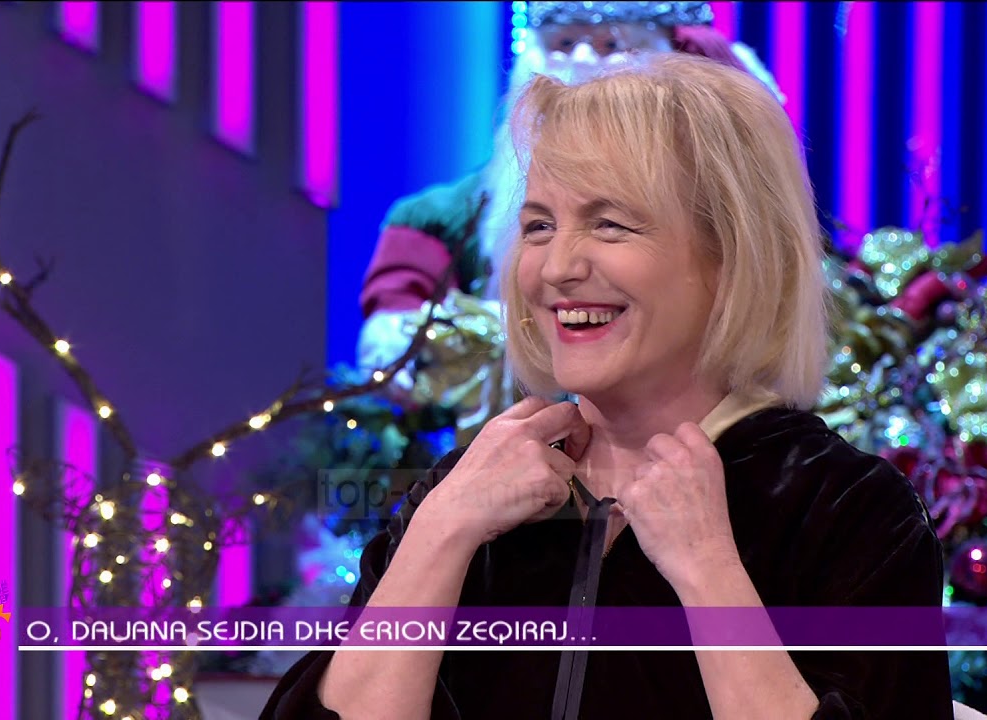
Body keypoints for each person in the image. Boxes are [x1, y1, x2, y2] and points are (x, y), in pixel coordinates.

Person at [262, 51, 952, 719]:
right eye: (539, 225)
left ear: (732, 255)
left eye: (609, 224)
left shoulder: (844, 508)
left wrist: (708, 570)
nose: (556, 267)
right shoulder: (467, 487)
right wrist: (441, 531)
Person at [355, 1, 784, 435]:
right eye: (539, 227)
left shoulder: (804, 471)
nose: (581, 60)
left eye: (611, 45)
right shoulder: (448, 213)